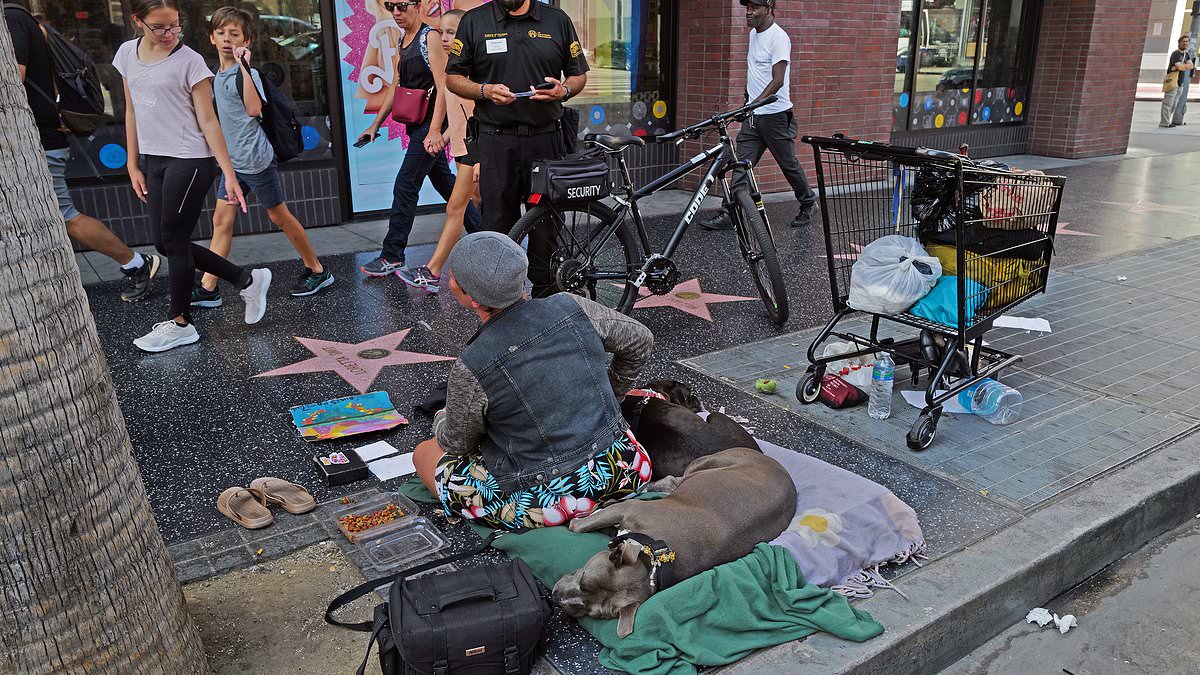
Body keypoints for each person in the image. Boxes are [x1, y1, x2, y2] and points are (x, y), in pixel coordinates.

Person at [412, 232, 656, 530]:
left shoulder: (472, 365)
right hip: (626, 469)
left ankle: (564, 512)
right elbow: (641, 339)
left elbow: (458, 443)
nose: (449, 283)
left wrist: (442, 417)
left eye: (452, 279)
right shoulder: (572, 305)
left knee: (424, 453)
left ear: (472, 298)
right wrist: (613, 393)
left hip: (548, 499)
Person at [115, 0, 271, 352]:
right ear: (138, 21)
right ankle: (247, 279)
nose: (169, 33)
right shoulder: (126, 54)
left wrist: (229, 174)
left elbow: (208, 120)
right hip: (155, 159)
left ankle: (181, 322)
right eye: (160, 27)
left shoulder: (190, 61)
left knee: (173, 237)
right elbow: (131, 109)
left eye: (175, 25)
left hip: (191, 158)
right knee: (162, 242)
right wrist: (132, 161)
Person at [5, 1, 160, 303]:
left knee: (65, 216)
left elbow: (14, 78)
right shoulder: (19, 18)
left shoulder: (11, 20)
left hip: (43, 141)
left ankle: (136, 263)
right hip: (39, 139)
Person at [190, 7, 333, 309]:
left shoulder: (248, 73)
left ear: (246, 40)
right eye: (221, 33)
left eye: (234, 34)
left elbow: (254, 109)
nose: (227, 39)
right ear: (211, 38)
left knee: (277, 215)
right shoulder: (215, 75)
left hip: (255, 160)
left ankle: (318, 270)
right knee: (221, 219)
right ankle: (208, 286)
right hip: (233, 165)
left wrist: (244, 66)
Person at [357, 0, 481, 277]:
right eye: (391, 7)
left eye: (402, 6)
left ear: (418, 6)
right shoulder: (405, 39)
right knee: (449, 186)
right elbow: (396, 84)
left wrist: (436, 130)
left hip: (430, 126)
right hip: (419, 125)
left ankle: (392, 255)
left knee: (405, 184)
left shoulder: (431, 37)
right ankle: (484, 236)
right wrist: (375, 124)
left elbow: (442, 86)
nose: (397, 13)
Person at [444, 0, 588, 235]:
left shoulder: (558, 20)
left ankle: (545, 274)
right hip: (496, 142)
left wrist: (564, 90)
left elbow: (578, 74)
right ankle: (503, 273)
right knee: (497, 227)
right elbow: (453, 77)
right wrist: (484, 91)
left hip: (546, 142)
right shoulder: (474, 21)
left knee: (547, 229)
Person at [701, 0, 817, 230]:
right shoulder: (754, 34)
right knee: (741, 166)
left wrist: (751, 105)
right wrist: (748, 101)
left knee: (788, 164)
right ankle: (729, 213)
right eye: (747, 7)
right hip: (754, 117)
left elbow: (777, 80)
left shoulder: (779, 38)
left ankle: (808, 202)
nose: (749, 12)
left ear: (769, 9)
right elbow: (754, 73)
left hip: (776, 116)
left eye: (754, 7)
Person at [395, 7, 483, 293]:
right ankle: (493, 267)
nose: (444, 38)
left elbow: (477, 116)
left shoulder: (469, 71)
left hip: (475, 152)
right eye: (442, 32)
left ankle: (433, 272)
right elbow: (457, 115)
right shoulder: (453, 68)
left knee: (457, 208)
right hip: (462, 150)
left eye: (451, 32)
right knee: (475, 213)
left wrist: (480, 159)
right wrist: (444, 137)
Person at [1161, 35, 1193, 129]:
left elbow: (1191, 66)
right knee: (1168, 103)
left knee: (1174, 104)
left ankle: (1167, 121)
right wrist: (1184, 66)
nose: (1185, 43)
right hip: (1172, 81)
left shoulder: (1186, 55)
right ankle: (1164, 123)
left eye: (1187, 41)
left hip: (1180, 83)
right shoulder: (1175, 54)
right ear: (1179, 43)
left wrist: (1183, 66)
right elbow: (1179, 67)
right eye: (1183, 41)